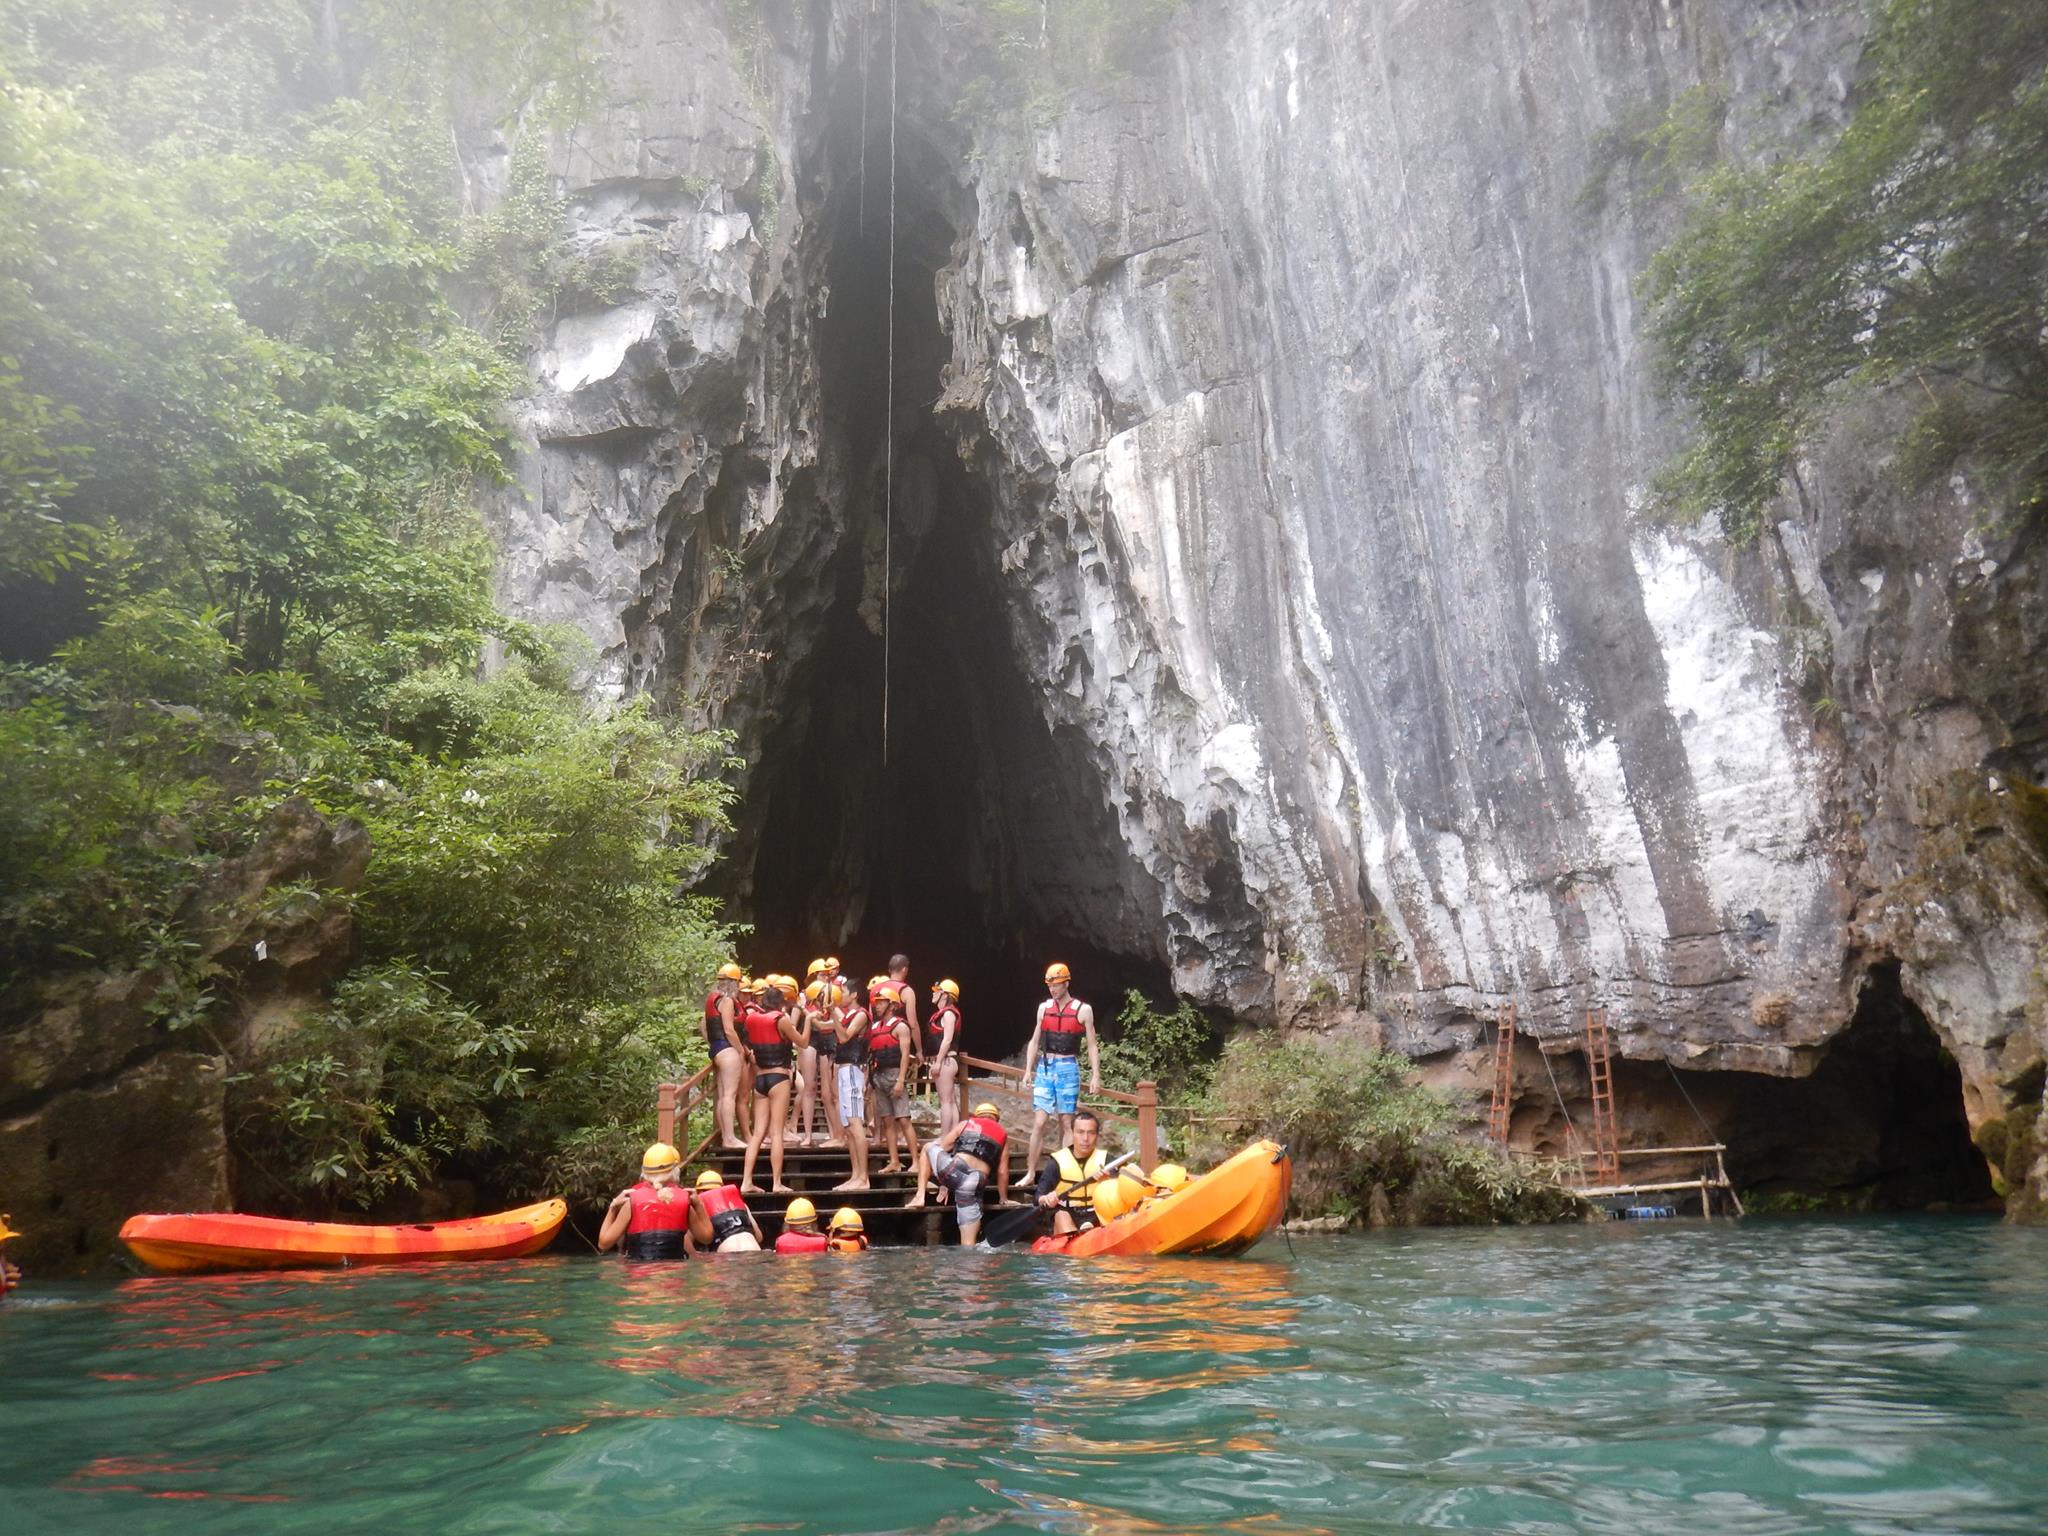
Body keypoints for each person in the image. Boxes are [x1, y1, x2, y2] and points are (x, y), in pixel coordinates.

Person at [1019, 962, 1101, 1185]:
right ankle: (1030, 1172)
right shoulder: (1044, 1008)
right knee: (1039, 1122)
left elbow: (1092, 1045)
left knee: (1066, 1122)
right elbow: (1035, 1040)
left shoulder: (1083, 1010)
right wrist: (1028, 1070)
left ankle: (1065, 1175)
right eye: (1049, 985)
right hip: (1046, 1066)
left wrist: (1095, 1074)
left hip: (1068, 1066)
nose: (1052, 989)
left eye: (1056, 985)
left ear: (1066, 983)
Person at [908, 1100, 1010, 1244]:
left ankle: (920, 1196)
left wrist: (943, 1182)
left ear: (977, 1116)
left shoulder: (966, 1124)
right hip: (975, 1181)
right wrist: (1003, 1198)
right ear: (996, 1119)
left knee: (928, 1147)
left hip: (954, 1170)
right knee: (969, 1245)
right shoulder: (1002, 1134)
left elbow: (943, 1147)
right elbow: (1002, 1171)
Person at [739, 979, 803, 1195]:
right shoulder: (781, 1020)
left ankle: (746, 1181)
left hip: (760, 1080)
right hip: (779, 1078)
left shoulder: (751, 1019)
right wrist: (810, 1021)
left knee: (758, 1134)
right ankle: (776, 1183)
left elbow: (747, 1044)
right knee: (776, 1133)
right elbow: (802, 1042)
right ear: (780, 1004)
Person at [598, 1142, 695, 1259]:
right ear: (675, 1171)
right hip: (673, 1269)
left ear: (644, 1172)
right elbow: (703, 1237)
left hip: (638, 1264)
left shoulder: (633, 1195)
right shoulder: (683, 1198)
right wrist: (695, 1254)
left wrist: (613, 1207)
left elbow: (604, 1244)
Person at [867, 980, 917, 1176]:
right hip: (878, 1076)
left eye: (881, 1002)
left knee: (903, 1119)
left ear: (892, 1004)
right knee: (887, 1120)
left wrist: (901, 1080)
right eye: (876, 1002)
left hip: (895, 1074)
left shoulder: (900, 1027)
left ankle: (915, 1160)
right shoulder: (876, 1026)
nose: (877, 1005)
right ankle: (894, 1160)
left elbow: (905, 1054)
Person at [1034, 1109, 1108, 1235]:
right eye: (1080, 1132)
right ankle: (1073, 1239)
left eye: (1091, 1133)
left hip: (1098, 1213)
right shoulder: (1057, 1162)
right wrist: (1046, 1199)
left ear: (1097, 1135)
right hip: (1068, 1213)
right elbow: (1038, 1196)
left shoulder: (1108, 1160)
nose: (1085, 1138)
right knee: (1061, 1214)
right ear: (1072, 1133)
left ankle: (1091, 1231)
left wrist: (1109, 1180)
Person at [831, 982, 873, 1192]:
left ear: (855, 994)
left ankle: (863, 1177)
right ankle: (855, 1174)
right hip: (844, 1070)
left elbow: (844, 1036)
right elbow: (828, 1027)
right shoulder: (847, 1015)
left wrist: (832, 1013)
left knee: (856, 1125)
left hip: (853, 1070)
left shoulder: (861, 1014)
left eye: (845, 992)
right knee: (848, 1126)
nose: (841, 995)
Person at [799, 961, 843, 1147]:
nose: (827, 977)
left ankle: (836, 1134)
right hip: (810, 1038)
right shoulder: (804, 997)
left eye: (827, 974)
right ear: (813, 976)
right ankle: (808, 1135)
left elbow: (839, 1020)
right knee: (809, 1087)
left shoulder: (832, 994)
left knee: (829, 1092)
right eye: (822, 974)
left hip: (828, 1038)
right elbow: (810, 1023)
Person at [705, 962, 747, 1148]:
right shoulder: (728, 1001)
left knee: (723, 1096)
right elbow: (729, 1030)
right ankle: (730, 1138)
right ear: (733, 983)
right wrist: (740, 1050)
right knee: (730, 1095)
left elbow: (702, 1026)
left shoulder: (711, 999)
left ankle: (725, 1136)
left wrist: (712, 1044)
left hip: (715, 1049)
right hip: (727, 1050)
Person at [693, 1167, 764, 1253]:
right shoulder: (740, 1204)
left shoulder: (699, 1207)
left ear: (698, 1191)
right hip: (753, 1249)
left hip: (727, 1254)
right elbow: (759, 1237)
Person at [925, 978, 963, 1133]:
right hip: (948, 1060)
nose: (934, 993)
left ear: (945, 995)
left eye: (937, 991)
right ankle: (952, 1136)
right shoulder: (945, 1013)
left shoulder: (948, 1014)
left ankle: (945, 1137)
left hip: (946, 1061)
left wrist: (938, 1062)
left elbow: (947, 1039)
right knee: (951, 1101)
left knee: (945, 1101)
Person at [888, 953, 922, 1078]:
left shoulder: (876, 988)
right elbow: (913, 1024)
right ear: (904, 969)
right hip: (896, 1047)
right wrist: (919, 1050)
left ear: (889, 969)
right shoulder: (906, 991)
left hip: (876, 1046)